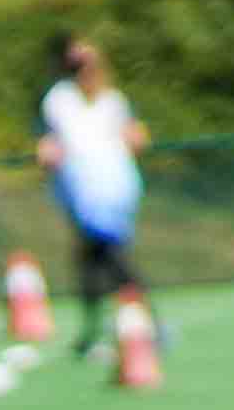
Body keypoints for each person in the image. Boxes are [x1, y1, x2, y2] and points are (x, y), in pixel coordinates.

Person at [38, 37, 152, 321]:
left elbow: (137, 137)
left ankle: (140, 316)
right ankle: (118, 320)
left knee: (103, 254)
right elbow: (48, 146)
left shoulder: (113, 100)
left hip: (115, 186)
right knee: (96, 253)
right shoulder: (59, 100)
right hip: (81, 189)